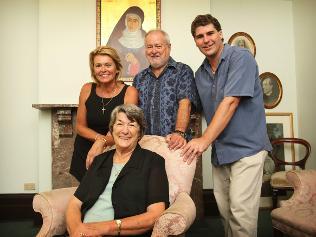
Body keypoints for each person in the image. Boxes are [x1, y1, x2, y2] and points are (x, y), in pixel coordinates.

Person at [182, 14, 272, 237]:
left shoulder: (241, 58)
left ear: (220, 34)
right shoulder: (200, 73)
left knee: (241, 216)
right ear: (195, 41)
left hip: (247, 149)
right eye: (199, 36)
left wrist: (203, 140)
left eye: (210, 33)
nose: (206, 40)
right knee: (226, 216)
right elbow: (194, 108)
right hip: (221, 153)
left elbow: (230, 102)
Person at [66, 104, 169, 237]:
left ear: (140, 133)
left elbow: (154, 215)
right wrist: (77, 230)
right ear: (112, 129)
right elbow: (74, 204)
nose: (125, 131)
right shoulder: (99, 160)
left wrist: (103, 228)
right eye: (119, 124)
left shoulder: (153, 162)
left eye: (131, 125)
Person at [69, 46, 138, 182]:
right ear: (93, 70)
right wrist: (100, 140)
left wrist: (102, 143)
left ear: (117, 68)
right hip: (84, 152)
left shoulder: (130, 92)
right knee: (84, 199)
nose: (103, 69)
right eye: (98, 65)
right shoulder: (87, 89)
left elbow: (124, 129)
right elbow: (80, 127)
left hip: (115, 152)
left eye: (108, 65)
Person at [133, 29, 199, 150]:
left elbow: (185, 104)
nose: (153, 51)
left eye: (158, 46)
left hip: (174, 144)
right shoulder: (139, 78)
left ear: (168, 47)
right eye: (149, 47)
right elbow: (133, 112)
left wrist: (179, 133)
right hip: (144, 147)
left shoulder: (182, 71)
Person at [107, 6, 148, 78]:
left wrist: (135, 62)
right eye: (129, 20)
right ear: (125, 21)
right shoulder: (115, 40)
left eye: (135, 20)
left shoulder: (147, 40)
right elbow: (108, 61)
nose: (131, 23)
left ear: (140, 22)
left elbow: (150, 64)